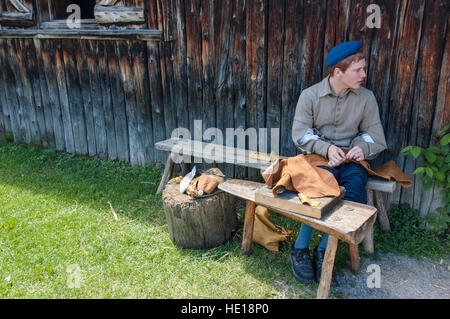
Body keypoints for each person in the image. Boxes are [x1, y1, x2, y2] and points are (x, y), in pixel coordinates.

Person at [290, 41, 387, 284]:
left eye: (364, 69)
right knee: (319, 191)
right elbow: (300, 134)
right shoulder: (310, 96)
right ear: (337, 71)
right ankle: (300, 248)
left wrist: (361, 148)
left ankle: (325, 250)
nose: (364, 75)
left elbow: (376, 137)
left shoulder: (366, 98)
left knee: (354, 191)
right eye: (358, 70)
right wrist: (326, 148)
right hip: (318, 157)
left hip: (351, 160)